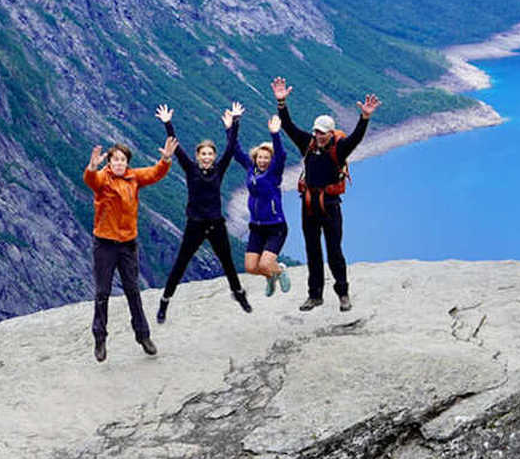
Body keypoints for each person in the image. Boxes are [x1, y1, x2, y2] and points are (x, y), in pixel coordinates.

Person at [271, 77, 379, 312]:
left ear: (331, 133)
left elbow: (356, 138)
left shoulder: (339, 150)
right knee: (312, 251)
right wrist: (281, 102)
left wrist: (365, 118)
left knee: (334, 251)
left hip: (330, 206)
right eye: (317, 132)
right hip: (308, 204)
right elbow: (287, 125)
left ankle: (343, 294)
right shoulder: (307, 144)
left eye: (323, 133)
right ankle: (315, 295)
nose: (319, 136)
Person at [155, 102, 253, 323]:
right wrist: (167, 124)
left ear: (213, 156)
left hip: (216, 223)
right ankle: (165, 302)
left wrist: (235, 122)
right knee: (181, 264)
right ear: (197, 156)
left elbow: (230, 148)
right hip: (195, 224)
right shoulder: (190, 169)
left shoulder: (220, 168)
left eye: (210, 154)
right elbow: (176, 147)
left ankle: (239, 295)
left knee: (227, 262)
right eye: (203, 154)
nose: (207, 157)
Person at [83, 134, 177, 361]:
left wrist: (165, 160)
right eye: (115, 160)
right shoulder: (102, 179)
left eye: (122, 160)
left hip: (127, 245)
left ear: (127, 163)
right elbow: (91, 180)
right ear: (109, 162)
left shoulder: (133, 178)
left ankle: (143, 335)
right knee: (102, 292)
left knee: (133, 291)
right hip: (105, 245)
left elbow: (154, 173)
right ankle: (100, 339)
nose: (118, 163)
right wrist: (91, 167)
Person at [232, 112, 292, 297]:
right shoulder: (251, 170)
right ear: (255, 158)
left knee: (265, 264)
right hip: (256, 227)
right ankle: (270, 276)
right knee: (251, 267)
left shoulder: (274, 173)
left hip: (275, 227)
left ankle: (279, 270)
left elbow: (281, 155)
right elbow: (235, 150)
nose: (263, 160)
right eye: (260, 157)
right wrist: (233, 125)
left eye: (267, 158)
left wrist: (275, 134)